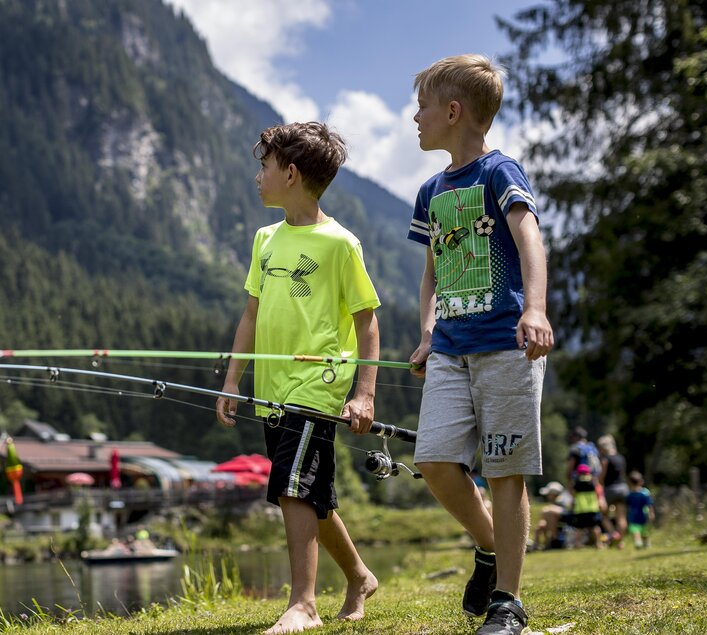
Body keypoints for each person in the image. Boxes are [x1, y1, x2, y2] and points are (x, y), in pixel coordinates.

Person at [406, 54, 553, 635]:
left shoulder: (500, 172)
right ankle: (491, 546)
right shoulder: (430, 189)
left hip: (505, 345)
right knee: (435, 462)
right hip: (449, 348)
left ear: (452, 110)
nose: (415, 118)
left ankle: (507, 602)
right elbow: (431, 273)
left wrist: (536, 309)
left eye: (422, 107)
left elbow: (529, 239)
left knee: (505, 470)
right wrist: (425, 334)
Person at [215, 121, 382, 634]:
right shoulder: (264, 239)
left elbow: (367, 321)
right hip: (271, 388)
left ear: (290, 173)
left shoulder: (340, 244)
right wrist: (232, 380)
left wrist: (364, 393)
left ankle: (303, 604)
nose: (258, 176)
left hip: (319, 385)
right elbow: (251, 315)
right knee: (308, 489)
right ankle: (358, 575)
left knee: (292, 484)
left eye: (264, 167)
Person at [596, 434, 629, 546]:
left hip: (611, 489)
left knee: (603, 516)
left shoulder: (605, 459)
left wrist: (599, 482)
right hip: (623, 488)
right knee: (621, 516)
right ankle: (620, 542)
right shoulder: (621, 458)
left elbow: (601, 477)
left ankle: (613, 533)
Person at [569, 464, 604, 548]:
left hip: (581, 508)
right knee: (595, 527)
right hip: (592, 508)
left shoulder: (576, 482)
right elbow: (598, 492)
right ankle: (598, 543)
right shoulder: (593, 481)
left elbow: (573, 494)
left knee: (579, 528)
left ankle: (577, 544)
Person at [532, 481, 571, 550]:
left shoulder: (564, 501)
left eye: (549, 494)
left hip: (567, 521)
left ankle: (553, 540)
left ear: (554, 494)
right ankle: (537, 546)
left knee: (546, 511)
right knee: (541, 525)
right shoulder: (554, 502)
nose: (547, 495)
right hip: (557, 521)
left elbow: (567, 512)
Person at [625, 471, 655, 549]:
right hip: (643, 515)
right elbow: (649, 504)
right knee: (643, 530)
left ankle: (640, 542)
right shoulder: (644, 493)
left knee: (638, 531)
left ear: (630, 483)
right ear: (641, 481)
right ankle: (642, 543)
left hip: (634, 515)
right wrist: (651, 513)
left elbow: (627, 506)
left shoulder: (630, 495)